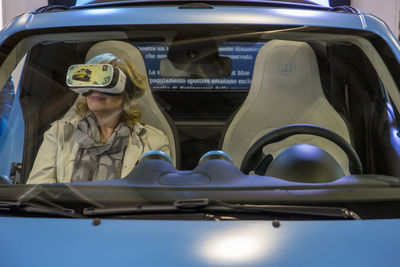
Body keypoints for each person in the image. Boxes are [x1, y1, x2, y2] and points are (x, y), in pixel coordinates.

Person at [27, 53, 170, 184]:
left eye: (105, 81)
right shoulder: (58, 133)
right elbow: (38, 192)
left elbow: (157, 199)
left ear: (127, 91)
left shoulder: (154, 142)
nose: (95, 89)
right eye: (90, 80)